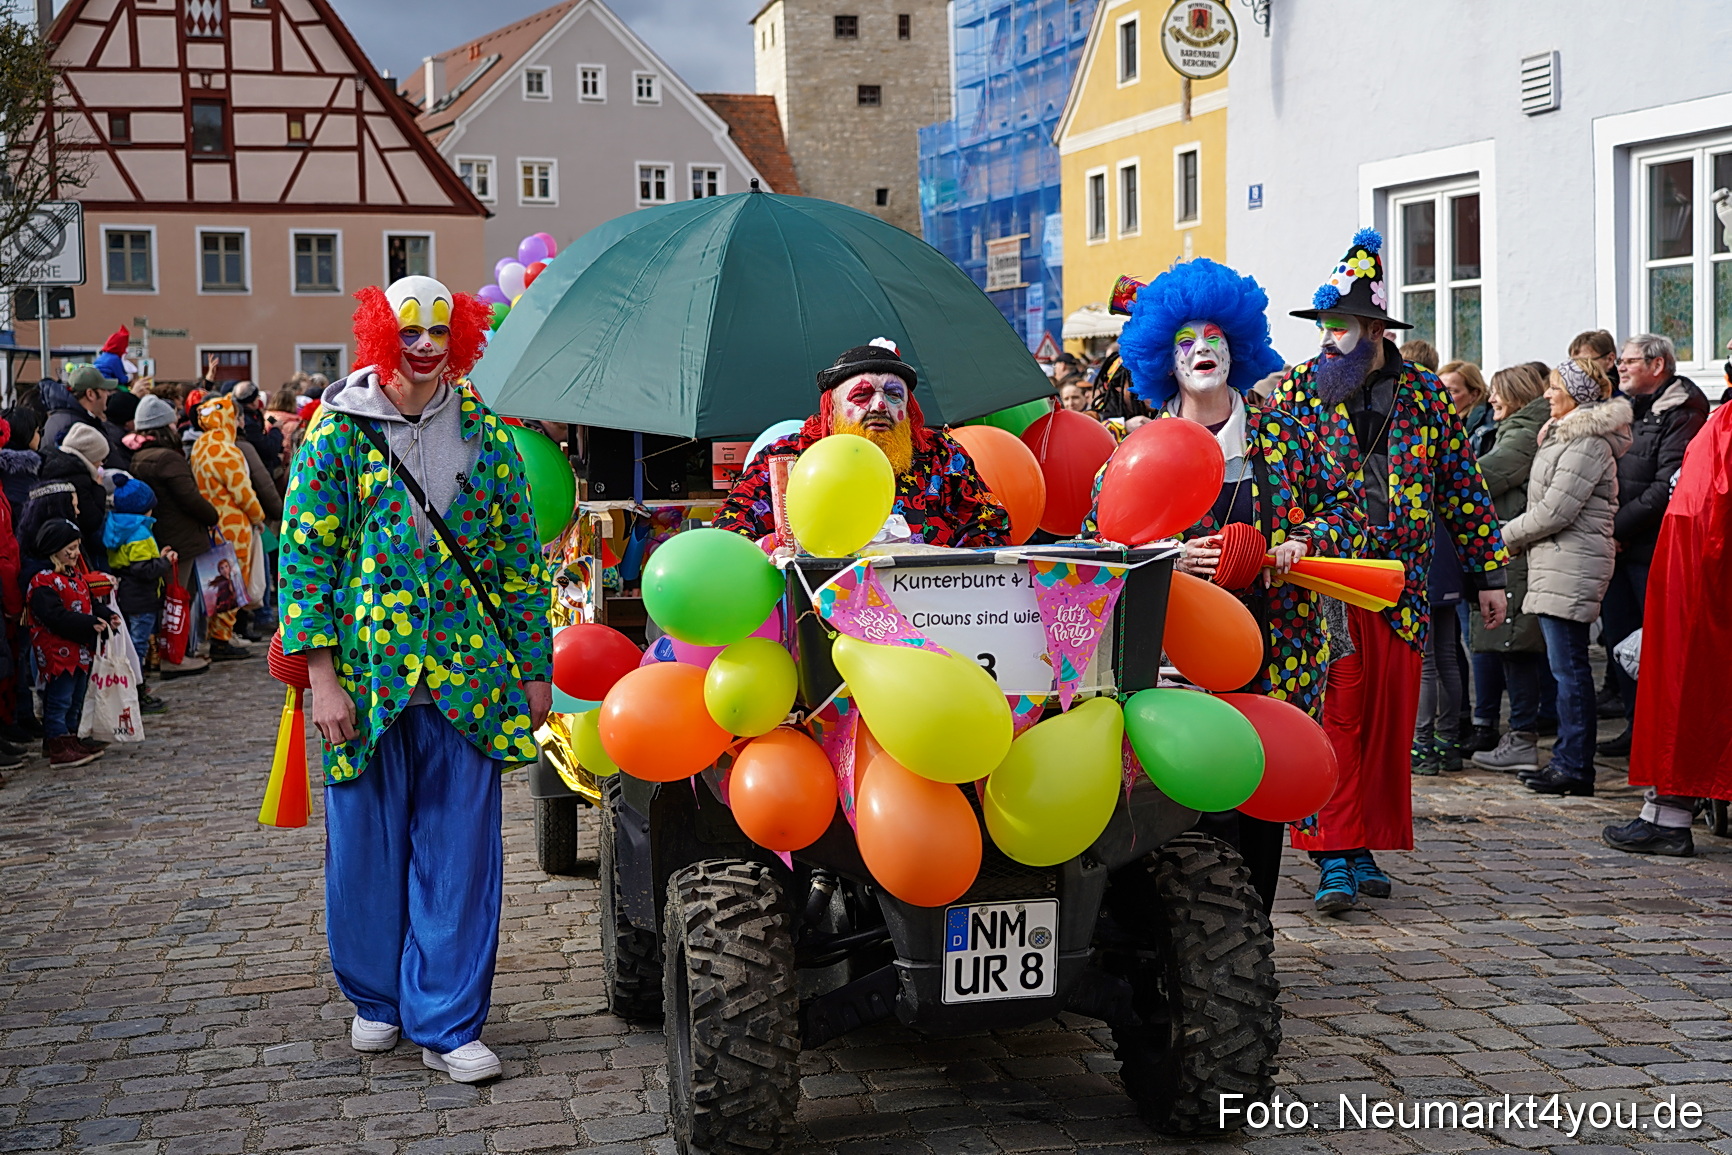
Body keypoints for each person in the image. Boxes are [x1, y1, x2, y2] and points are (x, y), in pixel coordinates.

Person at [280, 274, 552, 1085]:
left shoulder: (484, 434)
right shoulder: (336, 434)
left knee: (460, 858)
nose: (427, 346)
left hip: (467, 682)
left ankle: (447, 1016)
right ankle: (376, 997)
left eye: (441, 329)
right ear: (379, 333)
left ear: (460, 334)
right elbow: (304, 564)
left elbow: (515, 562)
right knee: (364, 854)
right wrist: (322, 679)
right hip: (367, 687)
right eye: (410, 330)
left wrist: (534, 667)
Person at [1111, 258, 1364, 913]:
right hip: (1174, 661)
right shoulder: (1140, 446)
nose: (1202, 351)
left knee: (1258, 803)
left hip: (1273, 652)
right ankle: (1179, 949)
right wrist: (1165, 557)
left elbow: (1348, 507)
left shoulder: (1283, 435)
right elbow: (1099, 542)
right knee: (1180, 805)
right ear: (1163, 358)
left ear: (1238, 346)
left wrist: (1302, 540)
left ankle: (1251, 941)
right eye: (1186, 341)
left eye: (1215, 338)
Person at [1274, 228, 1508, 913]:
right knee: (1336, 711)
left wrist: (1487, 574)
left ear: (1375, 329)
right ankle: (1331, 851)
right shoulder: (1298, 393)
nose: (1329, 338)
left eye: (1342, 325)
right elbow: (1281, 485)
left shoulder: (1428, 398)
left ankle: (1361, 838)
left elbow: (1463, 487)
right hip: (1326, 584)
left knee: (1385, 721)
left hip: (1399, 585)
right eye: (1325, 324)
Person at [714, 340, 1010, 547]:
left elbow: (992, 528)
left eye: (894, 394)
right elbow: (730, 533)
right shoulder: (785, 457)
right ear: (832, 407)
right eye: (862, 395)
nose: (880, 405)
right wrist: (778, 547)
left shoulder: (942, 455)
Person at [1603, 396, 1732, 856]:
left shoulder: (1723, 429)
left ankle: (1667, 817)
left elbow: (1700, 513)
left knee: (1685, 698)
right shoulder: (1718, 426)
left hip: (1702, 591)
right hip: (1697, 583)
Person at [1500, 359, 1631, 797]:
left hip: (1571, 564)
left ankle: (1574, 767)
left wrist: (1505, 537)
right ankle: (1566, 761)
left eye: (1554, 387)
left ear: (1575, 394)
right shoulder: (1564, 435)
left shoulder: (1586, 442)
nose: (1546, 394)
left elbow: (1556, 510)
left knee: (1570, 670)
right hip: (1558, 562)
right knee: (1564, 669)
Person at [1596, 334, 1708, 758]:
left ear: (1657, 365)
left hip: (1652, 547)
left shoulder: (1682, 410)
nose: (1619, 368)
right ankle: (1634, 725)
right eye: (1620, 361)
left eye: (1628, 361)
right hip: (1621, 544)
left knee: (1655, 647)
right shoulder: (1627, 408)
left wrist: (1617, 529)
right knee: (1620, 642)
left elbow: (1666, 485)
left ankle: (1662, 736)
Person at [1470, 364, 1559, 772]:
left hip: (1515, 549)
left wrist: (1444, 474)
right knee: (1513, 645)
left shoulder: (1522, 433)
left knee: (1516, 646)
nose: (1490, 401)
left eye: (1497, 393)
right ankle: (1520, 733)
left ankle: (1522, 737)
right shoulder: (1517, 428)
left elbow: (1486, 475)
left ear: (1517, 395)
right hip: (1511, 547)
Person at [128, 395, 216, 678]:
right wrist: (212, 516)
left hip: (158, 537)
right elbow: (190, 498)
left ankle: (165, 655)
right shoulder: (167, 458)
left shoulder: (137, 456)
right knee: (180, 598)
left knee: (171, 598)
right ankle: (176, 657)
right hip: (182, 538)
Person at [27, 519, 119, 767]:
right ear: (53, 548)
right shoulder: (42, 582)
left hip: (81, 650)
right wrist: (88, 624)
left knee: (76, 697)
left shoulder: (76, 575)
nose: (75, 553)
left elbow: (89, 602)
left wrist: (105, 616)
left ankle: (70, 737)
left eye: (77, 547)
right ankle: (57, 742)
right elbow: (56, 617)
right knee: (60, 699)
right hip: (58, 653)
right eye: (69, 548)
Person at [189, 395, 264, 660]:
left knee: (216, 585)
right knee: (231, 584)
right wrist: (258, 516)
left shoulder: (199, 445)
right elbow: (243, 492)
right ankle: (221, 639)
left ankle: (218, 636)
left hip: (211, 524)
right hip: (233, 525)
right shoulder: (227, 450)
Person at [104, 476, 174, 715]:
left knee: (130, 643)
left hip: (126, 593)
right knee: (138, 645)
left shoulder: (118, 526)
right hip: (142, 597)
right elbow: (142, 569)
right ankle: (137, 690)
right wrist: (164, 562)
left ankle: (133, 688)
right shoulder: (140, 533)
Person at [41, 424, 111, 572]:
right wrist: (98, 488)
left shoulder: (52, 460)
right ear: (90, 457)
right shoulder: (79, 477)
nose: (101, 464)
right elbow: (92, 520)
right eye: (100, 459)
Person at [41, 365, 124, 465]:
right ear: (90, 394)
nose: (107, 394)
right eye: (104, 390)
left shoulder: (61, 417)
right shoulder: (77, 426)